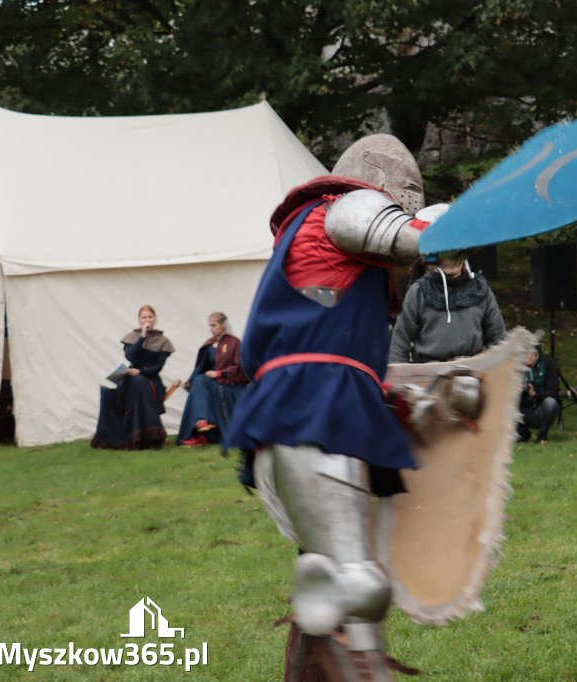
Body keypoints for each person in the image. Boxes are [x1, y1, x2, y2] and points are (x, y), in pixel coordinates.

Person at [225, 134, 439, 681]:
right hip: (314, 420)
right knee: (358, 589)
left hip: (290, 419)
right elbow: (422, 237)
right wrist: (471, 221)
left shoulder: (311, 242)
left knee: (328, 584)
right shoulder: (348, 207)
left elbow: (325, 346)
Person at [389, 249, 506, 364]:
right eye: (447, 254)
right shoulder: (419, 291)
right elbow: (400, 340)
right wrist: (398, 377)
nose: (451, 260)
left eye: (456, 254)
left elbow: (497, 339)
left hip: (472, 372)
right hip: (428, 373)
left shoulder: (479, 287)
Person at [91, 305, 175, 450]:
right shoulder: (132, 337)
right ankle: (119, 434)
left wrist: (141, 373)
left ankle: (146, 434)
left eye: (150, 317)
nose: (147, 320)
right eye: (144, 317)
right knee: (109, 393)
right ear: (139, 320)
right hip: (130, 376)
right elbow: (130, 356)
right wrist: (142, 337)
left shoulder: (163, 341)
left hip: (150, 378)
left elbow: (158, 367)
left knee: (139, 382)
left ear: (155, 319)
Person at [176, 312, 248, 447]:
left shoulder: (234, 343)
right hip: (212, 384)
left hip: (229, 383)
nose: (211, 329)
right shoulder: (209, 345)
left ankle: (203, 430)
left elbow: (239, 367)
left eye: (214, 325)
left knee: (200, 381)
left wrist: (219, 373)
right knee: (198, 380)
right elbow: (200, 367)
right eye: (210, 326)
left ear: (223, 325)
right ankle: (202, 423)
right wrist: (189, 381)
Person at [517, 344, 560, 444]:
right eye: (525, 353)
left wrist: (535, 394)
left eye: (532, 353)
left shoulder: (548, 363)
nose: (529, 356)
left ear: (537, 354)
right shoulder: (516, 366)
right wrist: (517, 391)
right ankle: (522, 433)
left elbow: (553, 393)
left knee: (551, 403)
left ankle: (543, 434)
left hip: (540, 409)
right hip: (521, 410)